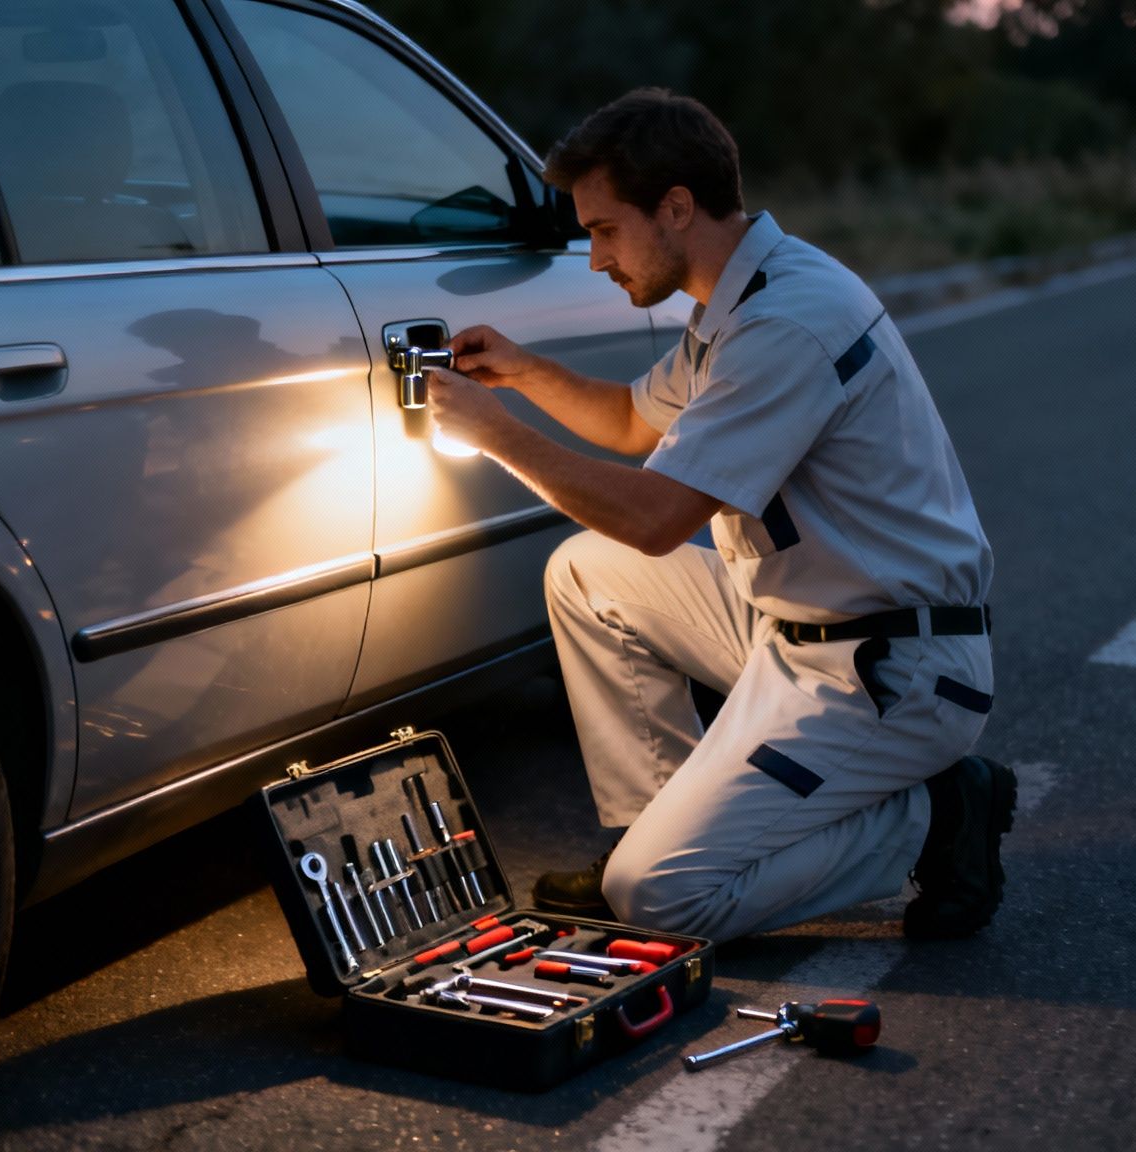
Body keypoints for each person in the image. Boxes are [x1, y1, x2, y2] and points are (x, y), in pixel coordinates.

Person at [425, 88, 1014, 943]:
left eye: (603, 230)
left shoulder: (786, 324)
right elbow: (632, 420)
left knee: (662, 901)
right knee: (588, 573)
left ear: (675, 208)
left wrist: (498, 438)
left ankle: (936, 815)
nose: (595, 258)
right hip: (798, 626)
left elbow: (660, 517)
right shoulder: (740, 299)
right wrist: (521, 373)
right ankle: (652, 825)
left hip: (891, 670)